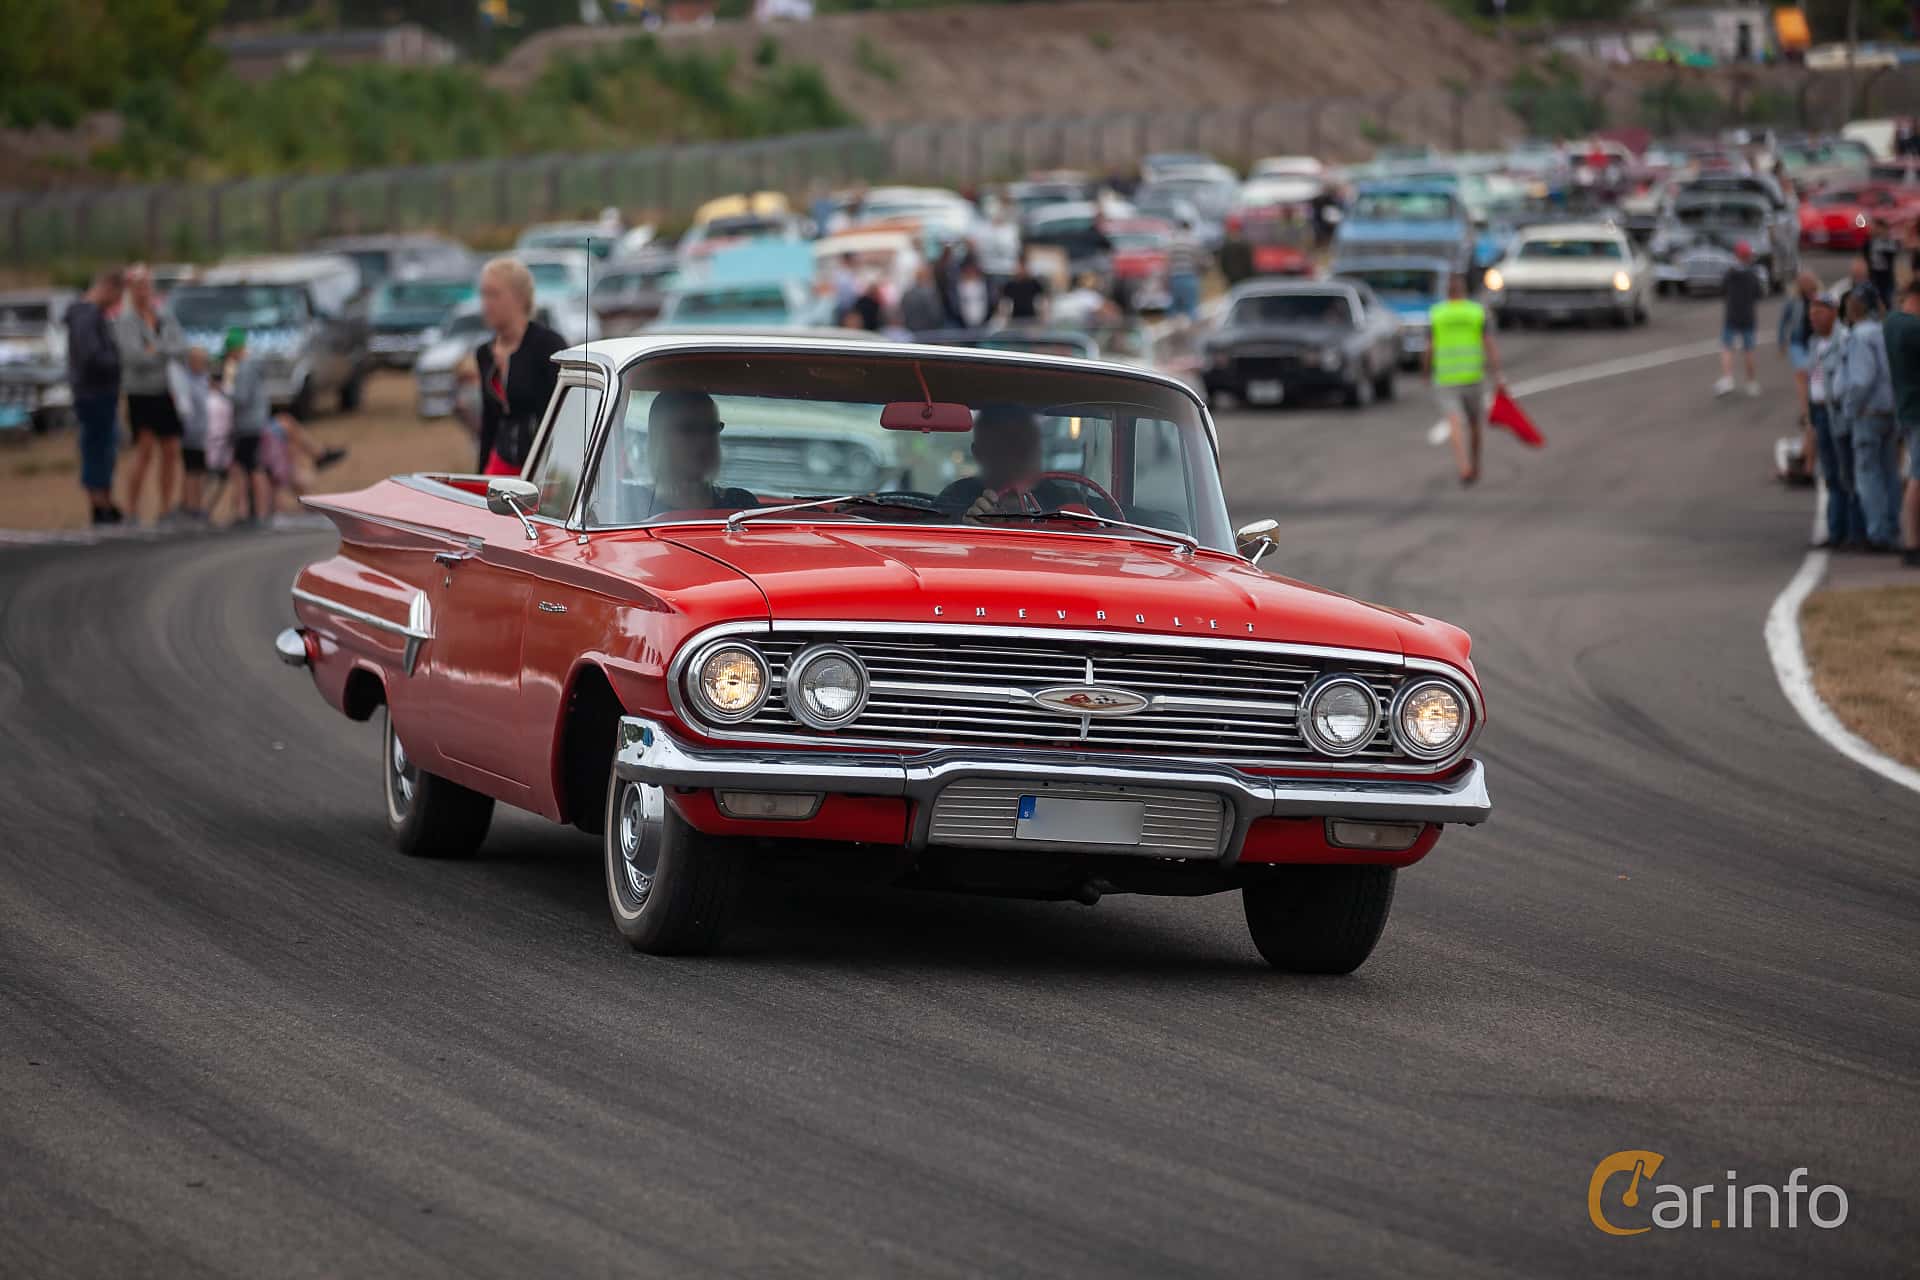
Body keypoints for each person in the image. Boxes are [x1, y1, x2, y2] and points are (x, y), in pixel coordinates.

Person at [470, 257, 567, 476]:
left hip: (545, 467)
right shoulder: (484, 353)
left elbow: (565, 415)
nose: (486, 303)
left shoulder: (548, 345)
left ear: (520, 298)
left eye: (494, 294)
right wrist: (479, 476)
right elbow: (489, 422)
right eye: (483, 294)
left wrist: (556, 472)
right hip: (501, 464)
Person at [115, 264, 189, 523]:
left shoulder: (164, 316)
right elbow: (134, 357)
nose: (144, 290)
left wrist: (155, 350)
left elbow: (181, 347)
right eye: (138, 285)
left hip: (166, 390)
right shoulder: (126, 320)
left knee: (170, 449)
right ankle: (132, 509)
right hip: (142, 393)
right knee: (144, 450)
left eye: (147, 285)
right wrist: (164, 351)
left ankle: (166, 508)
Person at [1839, 290, 1903, 552]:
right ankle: (1893, 525)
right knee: (1889, 473)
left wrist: (1851, 408)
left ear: (1854, 309)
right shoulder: (1884, 331)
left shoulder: (1860, 336)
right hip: (1890, 410)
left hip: (1868, 413)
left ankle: (1878, 533)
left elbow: (1861, 378)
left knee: (1868, 474)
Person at [625, 391, 756, 520]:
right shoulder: (630, 503)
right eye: (689, 429)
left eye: (711, 428)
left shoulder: (740, 504)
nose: (703, 440)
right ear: (660, 438)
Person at [1426, 273, 1502, 486]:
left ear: (1447, 292)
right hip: (1473, 375)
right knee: (1475, 424)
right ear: (1464, 291)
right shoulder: (1476, 312)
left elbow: (1430, 346)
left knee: (1454, 422)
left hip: (1446, 376)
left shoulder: (1437, 313)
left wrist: (1424, 371)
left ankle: (1463, 466)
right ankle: (1475, 464)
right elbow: (1489, 344)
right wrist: (1497, 374)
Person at [66, 268, 125, 525]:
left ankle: (105, 499)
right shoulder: (87, 316)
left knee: (104, 446)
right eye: (116, 296)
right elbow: (91, 356)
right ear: (108, 288)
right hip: (93, 393)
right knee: (97, 447)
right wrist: (116, 361)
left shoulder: (90, 315)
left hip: (97, 392)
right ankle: (99, 504)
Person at [1806, 296, 1863, 550]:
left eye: (1820, 311)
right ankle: (1835, 529)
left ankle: (1855, 530)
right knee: (1829, 474)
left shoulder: (1845, 339)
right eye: (1812, 312)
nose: (1814, 316)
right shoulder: (1813, 343)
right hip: (1819, 412)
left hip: (1838, 412)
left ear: (1832, 313)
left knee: (1846, 472)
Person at [1880, 280, 1920, 566]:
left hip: (1905, 408)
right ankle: (1912, 542)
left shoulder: (1891, 322)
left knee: (1912, 473)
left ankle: (1911, 538)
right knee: (1918, 477)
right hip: (1917, 409)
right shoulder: (1912, 328)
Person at [217, 328, 273, 526]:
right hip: (254, 422)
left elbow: (241, 397)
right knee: (249, 466)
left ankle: (256, 511)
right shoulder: (252, 366)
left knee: (249, 467)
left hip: (248, 425)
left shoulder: (244, 368)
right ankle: (255, 511)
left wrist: (221, 391)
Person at [1714, 242, 1762, 398]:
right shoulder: (1752, 274)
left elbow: (1722, 290)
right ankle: (1751, 382)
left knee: (1727, 347)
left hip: (1732, 315)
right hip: (1748, 316)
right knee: (1748, 350)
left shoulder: (1730, 273)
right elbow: (1758, 293)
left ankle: (1728, 378)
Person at [175, 346, 212, 522]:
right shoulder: (186, 381)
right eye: (197, 361)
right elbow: (184, 408)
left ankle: (199, 505)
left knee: (200, 471)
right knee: (190, 471)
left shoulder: (205, 380)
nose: (201, 364)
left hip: (203, 434)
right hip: (189, 434)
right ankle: (190, 506)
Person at [1778, 271, 1820, 419]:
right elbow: (1783, 321)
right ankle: (1805, 412)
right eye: (1803, 283)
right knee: (1801, 373)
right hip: (1797, 343)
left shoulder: (1820, 299)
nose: (1806, 285)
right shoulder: (1793, 300)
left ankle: (1815, 406)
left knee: (1814, 376)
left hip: (1815, 343)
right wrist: (1782, 342)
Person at [1165, 217, 1204, 321]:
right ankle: (1193, 331)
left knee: (1174, 307)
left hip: (1175, 278)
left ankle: (1173, 331)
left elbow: (1167, 263)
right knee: (1191, 306)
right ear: (1189, 228)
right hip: (1190, 276)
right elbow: (1200, 260)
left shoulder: (1172, 242)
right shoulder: (1194, 241)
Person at [899, 263, 949, 335]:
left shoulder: (907, 294)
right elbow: (936, 315)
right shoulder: (930, 293)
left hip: (912, 333)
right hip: (928, 334)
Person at [999, 257, 1048, 324]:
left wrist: (1042, 316)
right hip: (1015, 318)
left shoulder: (1034, 283)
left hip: (1031, 318)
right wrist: (1003, 317)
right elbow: (1004, 303)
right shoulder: (1010, 285)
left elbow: (1042, 300)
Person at [1864, 218, 1901, 307]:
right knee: (1873, 300)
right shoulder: (1870, 242)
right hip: (1873, 276)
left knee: (1887, 300)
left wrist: (1885, 237)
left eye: (1878, 228)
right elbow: (1864, 257)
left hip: (1886, 277)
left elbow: (1894, 250)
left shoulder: (1889, 242)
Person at [1842, 256, 1885, 321]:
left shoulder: (1869, 288)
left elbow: (1881, 307)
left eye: (1859, 272)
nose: (1857, 275)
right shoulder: (1845, 288)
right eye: (1855, 272)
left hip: (1870, 321)